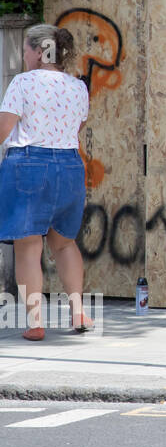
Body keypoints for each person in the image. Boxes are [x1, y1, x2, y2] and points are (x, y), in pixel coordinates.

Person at [0, 25, 92, 340]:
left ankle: (36, 323)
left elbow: (4, 128)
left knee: (28, 247)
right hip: (69, 166)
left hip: (27, 165)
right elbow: (75, 131)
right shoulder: (79, 87)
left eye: (26, 49)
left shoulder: (22, 83)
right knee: (64, 243)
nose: (23, 55)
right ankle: (78, 311)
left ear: (39, 52)